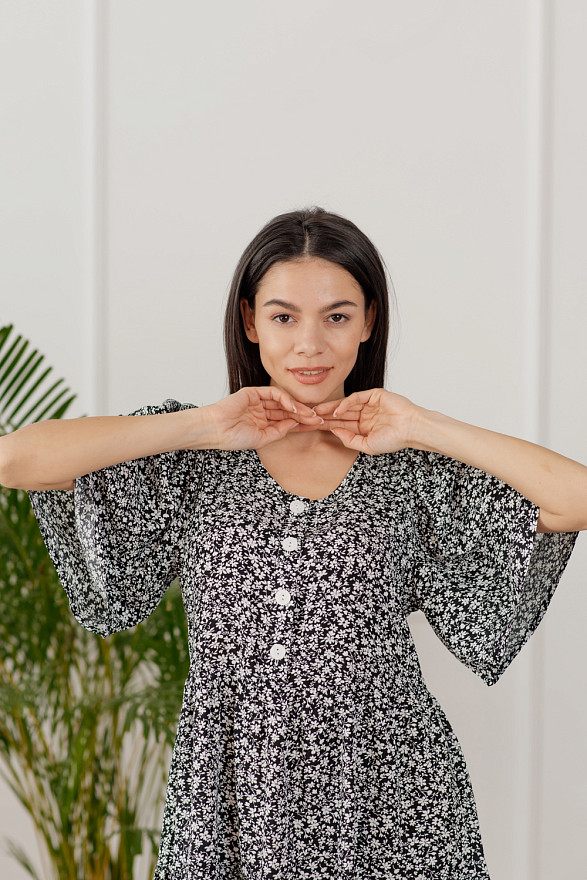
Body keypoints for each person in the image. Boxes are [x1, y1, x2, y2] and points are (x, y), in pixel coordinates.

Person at [0, 206, 585, 880]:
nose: (310, 344)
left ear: (369, 321)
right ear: (249, 321)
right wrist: (197, 425)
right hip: (228, 792)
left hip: (391, 794)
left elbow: (574, 498)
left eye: (336, 316)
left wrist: (423, 425)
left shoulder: (414, 469)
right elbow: (18, 461)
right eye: (283, 317)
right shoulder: (191, 457)